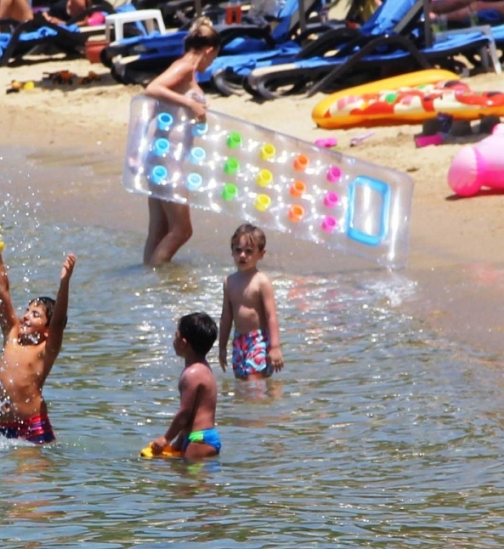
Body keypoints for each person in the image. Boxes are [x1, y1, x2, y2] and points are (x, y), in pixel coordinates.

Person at [141, 18, 221, 266]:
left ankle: (148, 286)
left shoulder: (185, 71)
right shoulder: (185, 67)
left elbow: (161, 108)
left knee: (160, 231)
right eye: (214, 57)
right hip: (168, 160)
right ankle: (157, 279)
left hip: (159, 157)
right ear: (209, 50)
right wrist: (190, 103)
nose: (213, 62)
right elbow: (152, 88)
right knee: (182, 230)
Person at [0, 247, 76, 444]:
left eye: (35, 314)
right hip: (3, 429)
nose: (27, 316)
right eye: (27, 311)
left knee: (29, 476)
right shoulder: (12, 334)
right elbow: (2, 292)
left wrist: (64, 282)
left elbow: (58, 321)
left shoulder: (45, 350)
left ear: (46, 329)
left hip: (33, 427)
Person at [218, 223, 284, 381]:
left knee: (254, 384)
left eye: (249, 252)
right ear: (232, 251)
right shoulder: (229, 281)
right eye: (238, 250)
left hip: (258, 340)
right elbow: (226, 317)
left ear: (261, 254)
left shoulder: (261, 281)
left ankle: (266, 401)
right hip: (239, 340)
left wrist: (275, 347)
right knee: (242, 382)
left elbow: (271, 316)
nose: (242, 255)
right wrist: (222, 347)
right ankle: (268, 399)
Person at [151, 312, 221, 460]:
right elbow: (194, 414)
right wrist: (180, 441)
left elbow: (184, 413)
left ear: (183, 342)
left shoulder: (192, 374)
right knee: (186, 480)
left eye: (176, 335)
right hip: (197, 436)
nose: (173, 339)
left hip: (199, 439)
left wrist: (166, 439)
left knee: (192, 482)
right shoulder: (203, 369)